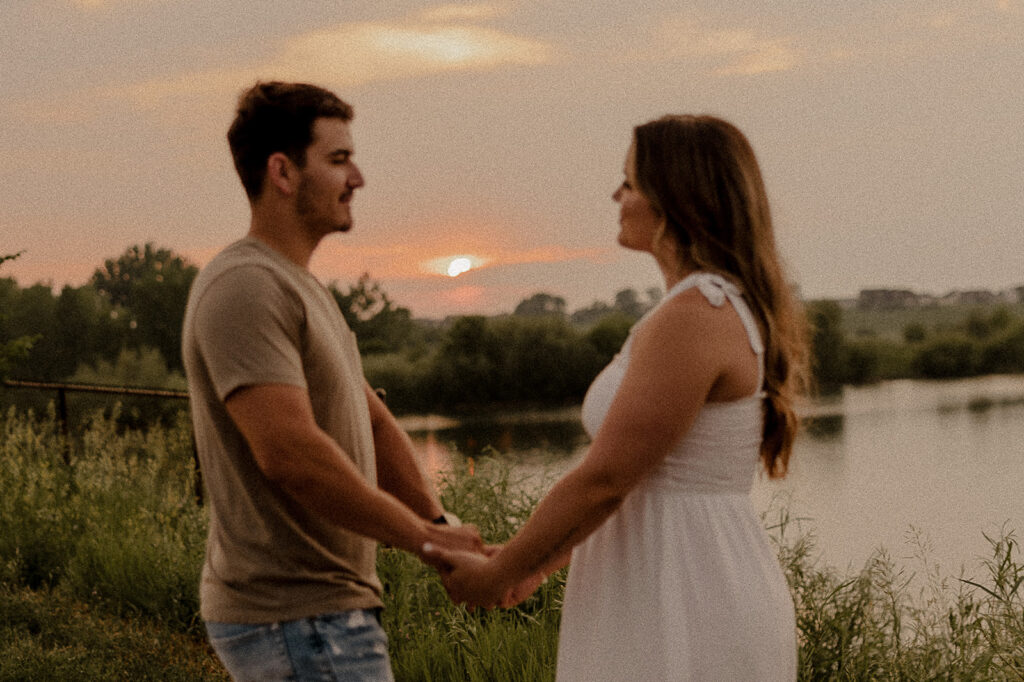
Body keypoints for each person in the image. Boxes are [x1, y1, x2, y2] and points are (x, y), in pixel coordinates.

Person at [427, 114, 810, 680]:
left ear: (673, 197)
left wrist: (501, 571)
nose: (616, 195)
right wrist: (537, 565)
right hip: (663, 574)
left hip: (683, 591)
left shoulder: (696, 314)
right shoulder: (697, 309)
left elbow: (605, 480)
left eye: (629, 182)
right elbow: (632, 482)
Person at [182, 81, 482, 682]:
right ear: (283, 172)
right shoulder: (245, 287)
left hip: (323, 616)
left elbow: (368, 417)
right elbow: (291, 454)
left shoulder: (300, 286)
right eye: (339, 159)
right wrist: (422, 540)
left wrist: (442, 530)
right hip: (297, 619)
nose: (358, 178)